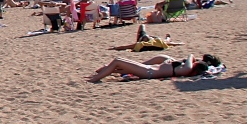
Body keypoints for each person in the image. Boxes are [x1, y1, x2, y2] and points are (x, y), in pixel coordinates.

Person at [87, 53, 220, 82]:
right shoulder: (185, 69)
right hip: (149, 70)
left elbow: (190, 57)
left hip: (149, 72)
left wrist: (193, 57)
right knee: (118, 63)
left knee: (117, 60)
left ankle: (93, 80)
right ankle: (101, 73)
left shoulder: (186, 69)